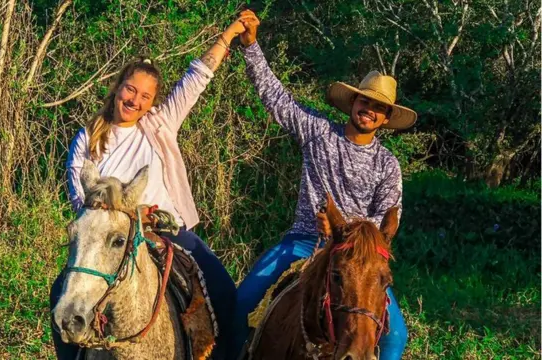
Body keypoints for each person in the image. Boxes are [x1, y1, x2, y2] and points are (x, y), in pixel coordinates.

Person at [50, 16, 253, 360]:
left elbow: (196, 80)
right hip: (108, 238)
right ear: (117, 88)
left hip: (168, 230)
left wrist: (229, 36)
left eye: (145, 95)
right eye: (130, 89)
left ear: (152, 101)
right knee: (60, 293)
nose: (135, 100)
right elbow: (79, 195)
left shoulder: (159, 124)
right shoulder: (88, 138)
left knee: (223, 292)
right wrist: (125, 217)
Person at [231, 10, 417, 360]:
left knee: (395, 338)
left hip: (358, 258)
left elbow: (387, 217)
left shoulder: (387, 164)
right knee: (240, 304)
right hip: (304, 241)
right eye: (365, 101)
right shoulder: (319, 133)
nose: (369, 110)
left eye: (379, 108)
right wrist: (252, 47)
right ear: (353, 102)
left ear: (386, 118)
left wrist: (345, 233)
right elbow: (277, 99)